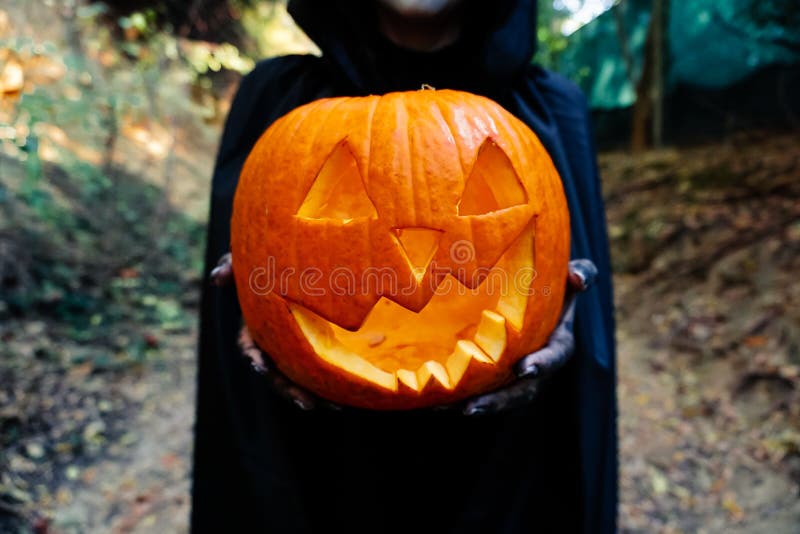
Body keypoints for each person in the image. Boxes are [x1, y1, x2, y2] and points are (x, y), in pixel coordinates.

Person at [191, 1, 617, 533]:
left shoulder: (553, 107)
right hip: (317, 469)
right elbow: (250, 268)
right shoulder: (273, 97)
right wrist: (259, 302)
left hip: (510, 470)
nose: (415, 257)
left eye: (479, 203)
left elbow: (567, 281)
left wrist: (566, 307)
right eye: (344, 207)